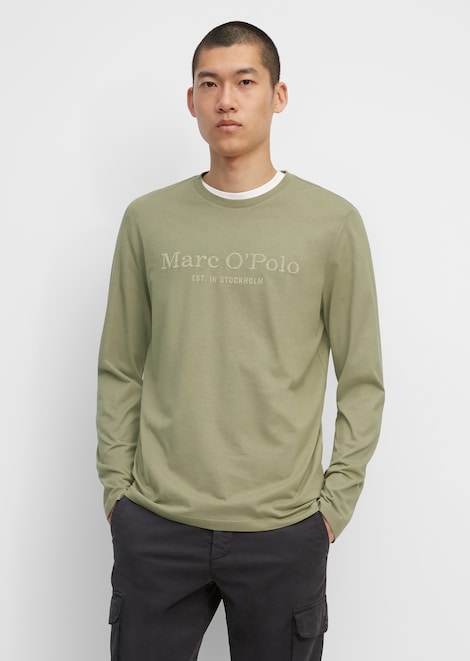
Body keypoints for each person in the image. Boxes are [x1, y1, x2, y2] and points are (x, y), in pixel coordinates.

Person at [96, 20, 384, 661]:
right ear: (192, 99)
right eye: (210, 84)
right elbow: (120, 366)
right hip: (158, 525)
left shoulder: (332, 223)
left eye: (245, 82)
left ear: (278, 95)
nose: (226, 99)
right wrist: (118, 493)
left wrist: (331, 509)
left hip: (283, 530)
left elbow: (362, 378)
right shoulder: (148, 220)